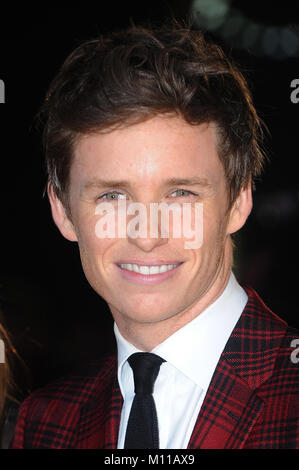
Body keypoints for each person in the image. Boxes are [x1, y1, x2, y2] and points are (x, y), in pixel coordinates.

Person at [10, 21, 299, 449]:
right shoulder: (42, 423)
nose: (146, 235)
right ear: (62, 210)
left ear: (238, 201)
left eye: (180, 193)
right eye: (112, 195)